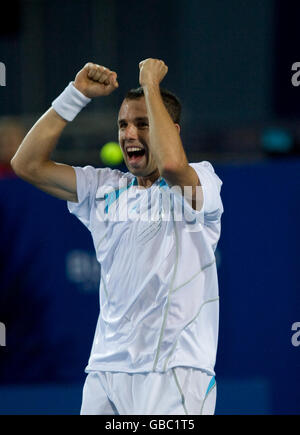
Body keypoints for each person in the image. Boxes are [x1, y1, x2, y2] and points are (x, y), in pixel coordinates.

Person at [11, 58, 224, 415]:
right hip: (105, 372)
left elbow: (172, 166)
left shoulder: (202, 182)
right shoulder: (104, 189)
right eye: (123, 124)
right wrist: (74, 94)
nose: (129, 134)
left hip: (173, 372)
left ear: (170, 130)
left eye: (143, 124)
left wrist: (151, 84)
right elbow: (26, 164)